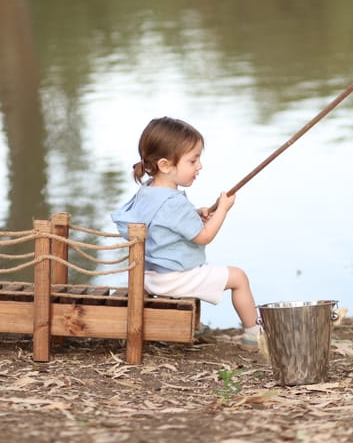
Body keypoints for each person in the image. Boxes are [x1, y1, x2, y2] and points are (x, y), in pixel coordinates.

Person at [111, 116, 260, 348]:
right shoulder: (173, 201)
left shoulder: (149, 190)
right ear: (165, 165)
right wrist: (223, 210)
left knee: (227, 274)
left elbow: (165, 224)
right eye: (193, 160)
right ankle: (253, 335)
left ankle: (222, 328)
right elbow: (204, 236)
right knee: (239, 278)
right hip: (172, 278)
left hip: (151, 274)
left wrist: (195, 214)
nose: (199, 166)